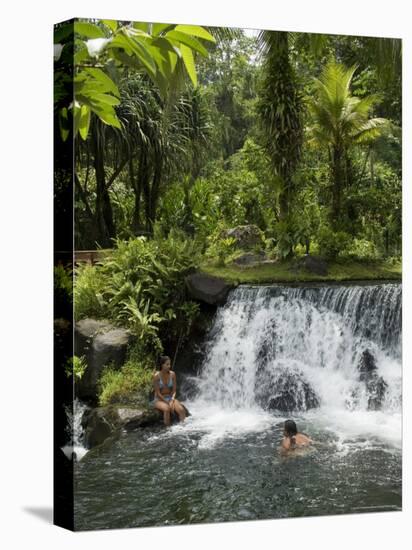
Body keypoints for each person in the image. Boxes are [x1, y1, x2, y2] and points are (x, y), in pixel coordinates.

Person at [153, 356, 187, 426]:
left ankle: (183, 427)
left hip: (170, 397)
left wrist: (171, 399)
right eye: (167, 364)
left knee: (181, 409)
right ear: (162, 365)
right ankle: (168, 430)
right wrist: (167, 402)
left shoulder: (173, 374)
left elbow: (174, 390)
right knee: (167, 409)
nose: (169, 366)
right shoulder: (156, 376)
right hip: (159, 399)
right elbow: (158, 393)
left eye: (170, 364)